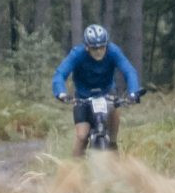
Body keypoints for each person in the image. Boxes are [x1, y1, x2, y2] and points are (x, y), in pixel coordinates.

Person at [51, 24, 143, 156]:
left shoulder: (113, 51)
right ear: (87, 47)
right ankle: (74, 167)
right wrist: (61, 93)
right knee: (82, 136)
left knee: (115, 110)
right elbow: (60, 73)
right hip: (83, 96)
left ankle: (113, 145)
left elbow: (129, 71)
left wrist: (133, 92)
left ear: (107, 45)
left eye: (102, 47)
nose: (99, 51)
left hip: (107, 92)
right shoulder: (77, 54)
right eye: (94, 48)